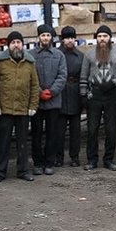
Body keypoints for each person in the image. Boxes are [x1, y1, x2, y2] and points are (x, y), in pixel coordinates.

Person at [0, 31, 40, 183]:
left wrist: (32, 106)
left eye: (18, 42)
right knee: (3, 142)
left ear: (22, 45)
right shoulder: (0, 62)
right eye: (13, 43)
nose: (16, 45)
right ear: (8, 45)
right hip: (5, 109)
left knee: (23, 142)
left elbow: (34, 85)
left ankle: (23, 170)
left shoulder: (30, 63)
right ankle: (0, 171)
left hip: (23, 109)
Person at [80, 25, 116, 171]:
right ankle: (92, 160)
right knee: (92, 129)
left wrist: (113, 83)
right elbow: (83, 76)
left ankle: (108, 160)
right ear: (96, 38)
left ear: (110, 38)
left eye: (105, 36)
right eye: (100, 36)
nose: (102, 39)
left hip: (111, 94)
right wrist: (83, 94)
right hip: (94, 94)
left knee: (110, 129)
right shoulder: (88, 55)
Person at [30, 25, 67, 176]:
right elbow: (30, 76)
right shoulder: (31, 55)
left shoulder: (58, 55)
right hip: (36, 101)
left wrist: (52, 92)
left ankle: (49, 162)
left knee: (53, 133)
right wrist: (39, 92)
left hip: (54, 100)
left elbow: (62, 75)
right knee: (36, 133)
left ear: (52, 38)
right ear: (38, 37)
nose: (45, 38)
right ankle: (38, 163)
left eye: (48, 35)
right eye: (43, 35)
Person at [56, 26, 84, 167]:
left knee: (75, 130)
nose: (69, 41)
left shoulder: (80, 56)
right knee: (59, 130)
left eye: (72, 38)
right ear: (62, 40)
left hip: (75, 94)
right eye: (67, 38)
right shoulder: (56, 54)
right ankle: (58, 157)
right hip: (60, 94)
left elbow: (83, 76)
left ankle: (74, 156)